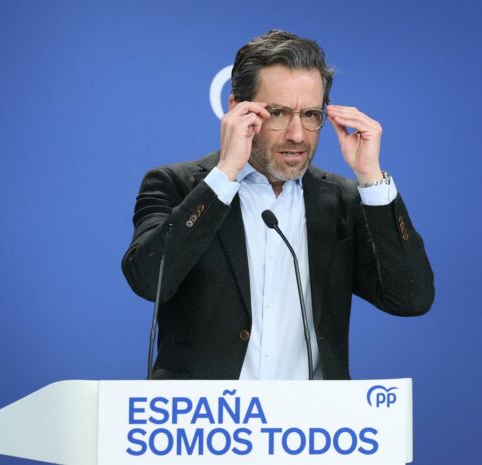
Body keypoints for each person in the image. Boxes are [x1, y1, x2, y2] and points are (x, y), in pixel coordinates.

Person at [122, 30, 434, 380]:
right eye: (279, 113)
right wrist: (224, 175)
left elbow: (411, 298)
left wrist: (371, 178)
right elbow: (148, 281)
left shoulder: (343, 201)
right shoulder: (177, 186)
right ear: (237, 110)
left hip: (311, 415)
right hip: (205, 414)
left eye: (311, 115)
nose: (297, 135)